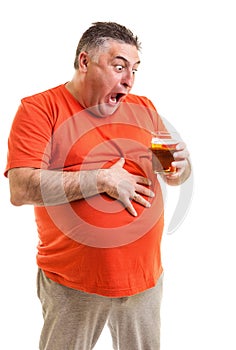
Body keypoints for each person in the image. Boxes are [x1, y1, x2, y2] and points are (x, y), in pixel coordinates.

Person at [4, 22, 191, 350]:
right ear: (84, 61)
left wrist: (181, 169)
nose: (129, 79)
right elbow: (20, 188)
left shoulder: (143, 108)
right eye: (119, 66)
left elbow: (171, 169)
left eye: (134, 69)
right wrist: (99, 179)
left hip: (145, 280)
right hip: (73, 285)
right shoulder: (39, 109)